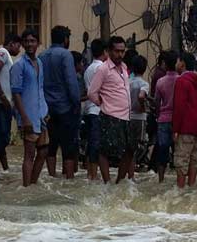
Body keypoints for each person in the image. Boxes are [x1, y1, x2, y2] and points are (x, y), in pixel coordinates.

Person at [87, 35, 132, 184]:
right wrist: (103, 104)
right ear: (109, 51)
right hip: (110, 115)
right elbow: (92, 92)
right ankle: (107, 181)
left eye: (122, 51)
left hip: (126, 116)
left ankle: (119, 181)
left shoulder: (124, 67)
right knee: (104, 150)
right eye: (117, 51)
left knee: (129, 150)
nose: (120, 54)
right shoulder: (103, 69)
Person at [39, 25, 82, 179]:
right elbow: (71, 82)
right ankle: (69, 179)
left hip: (48, 108)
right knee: (68, 146)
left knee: (52, 144)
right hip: (65, 107)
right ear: (65, 39)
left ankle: (52, 177)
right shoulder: (65, 55)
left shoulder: (42, 55)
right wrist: (76, 103)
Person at [11, 29, 49, 186]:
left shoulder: (39, 62)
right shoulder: (19, 65)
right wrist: (24, 117)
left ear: (38, 43)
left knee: (44, 150)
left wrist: (46, 110)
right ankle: (26, 187)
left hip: (41, 114)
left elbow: (40, 88)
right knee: (29, 154)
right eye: (26, 41)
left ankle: (32, 184)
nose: (29, 44)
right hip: (28, 116)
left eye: (32, 41)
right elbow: (16, 93)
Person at [0, 34, 22, 172]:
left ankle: (5, 169)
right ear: (12, 43)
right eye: (18, 45)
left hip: (3, 103)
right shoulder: (3, 52)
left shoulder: (6, 56)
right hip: (1, 103)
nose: (19, 49)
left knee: (2, 138)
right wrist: (3, 96)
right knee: (4, 138)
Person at [172, 52, 197, 189]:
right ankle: (190, 190)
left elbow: (179, 107)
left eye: (177, 60)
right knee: (193, 160)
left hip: (184, 127)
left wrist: (175, 129)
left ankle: (180, 191)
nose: (176, 64)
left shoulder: (181, 81)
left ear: (182, 63)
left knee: (181, 160)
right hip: (196, 127)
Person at [152, 51, 179, 183]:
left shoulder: (160, 82)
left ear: (165, 64)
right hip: (177, 121)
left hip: (163, 119)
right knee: (178, 151)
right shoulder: (181, 80)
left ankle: (161, 179)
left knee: (162, 150)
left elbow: (157, 101)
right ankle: (179, 181)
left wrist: (158, 114)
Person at [82, 39, 107, 180]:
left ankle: (90, 173)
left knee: (91, 142)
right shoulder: (102, 68)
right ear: (104, 52)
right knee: (96, 144)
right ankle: (94, 174)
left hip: (89, 110)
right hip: (98, 110)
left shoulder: (88, 69)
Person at [127, 55, 150, 181]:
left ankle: (128, 175)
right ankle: (132, 176)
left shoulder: (127, 82)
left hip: (127, 116)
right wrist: (142, 106)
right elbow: (141, 96)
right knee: (137, 147)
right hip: (139, 118)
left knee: (129, 147)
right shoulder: (144, 84)